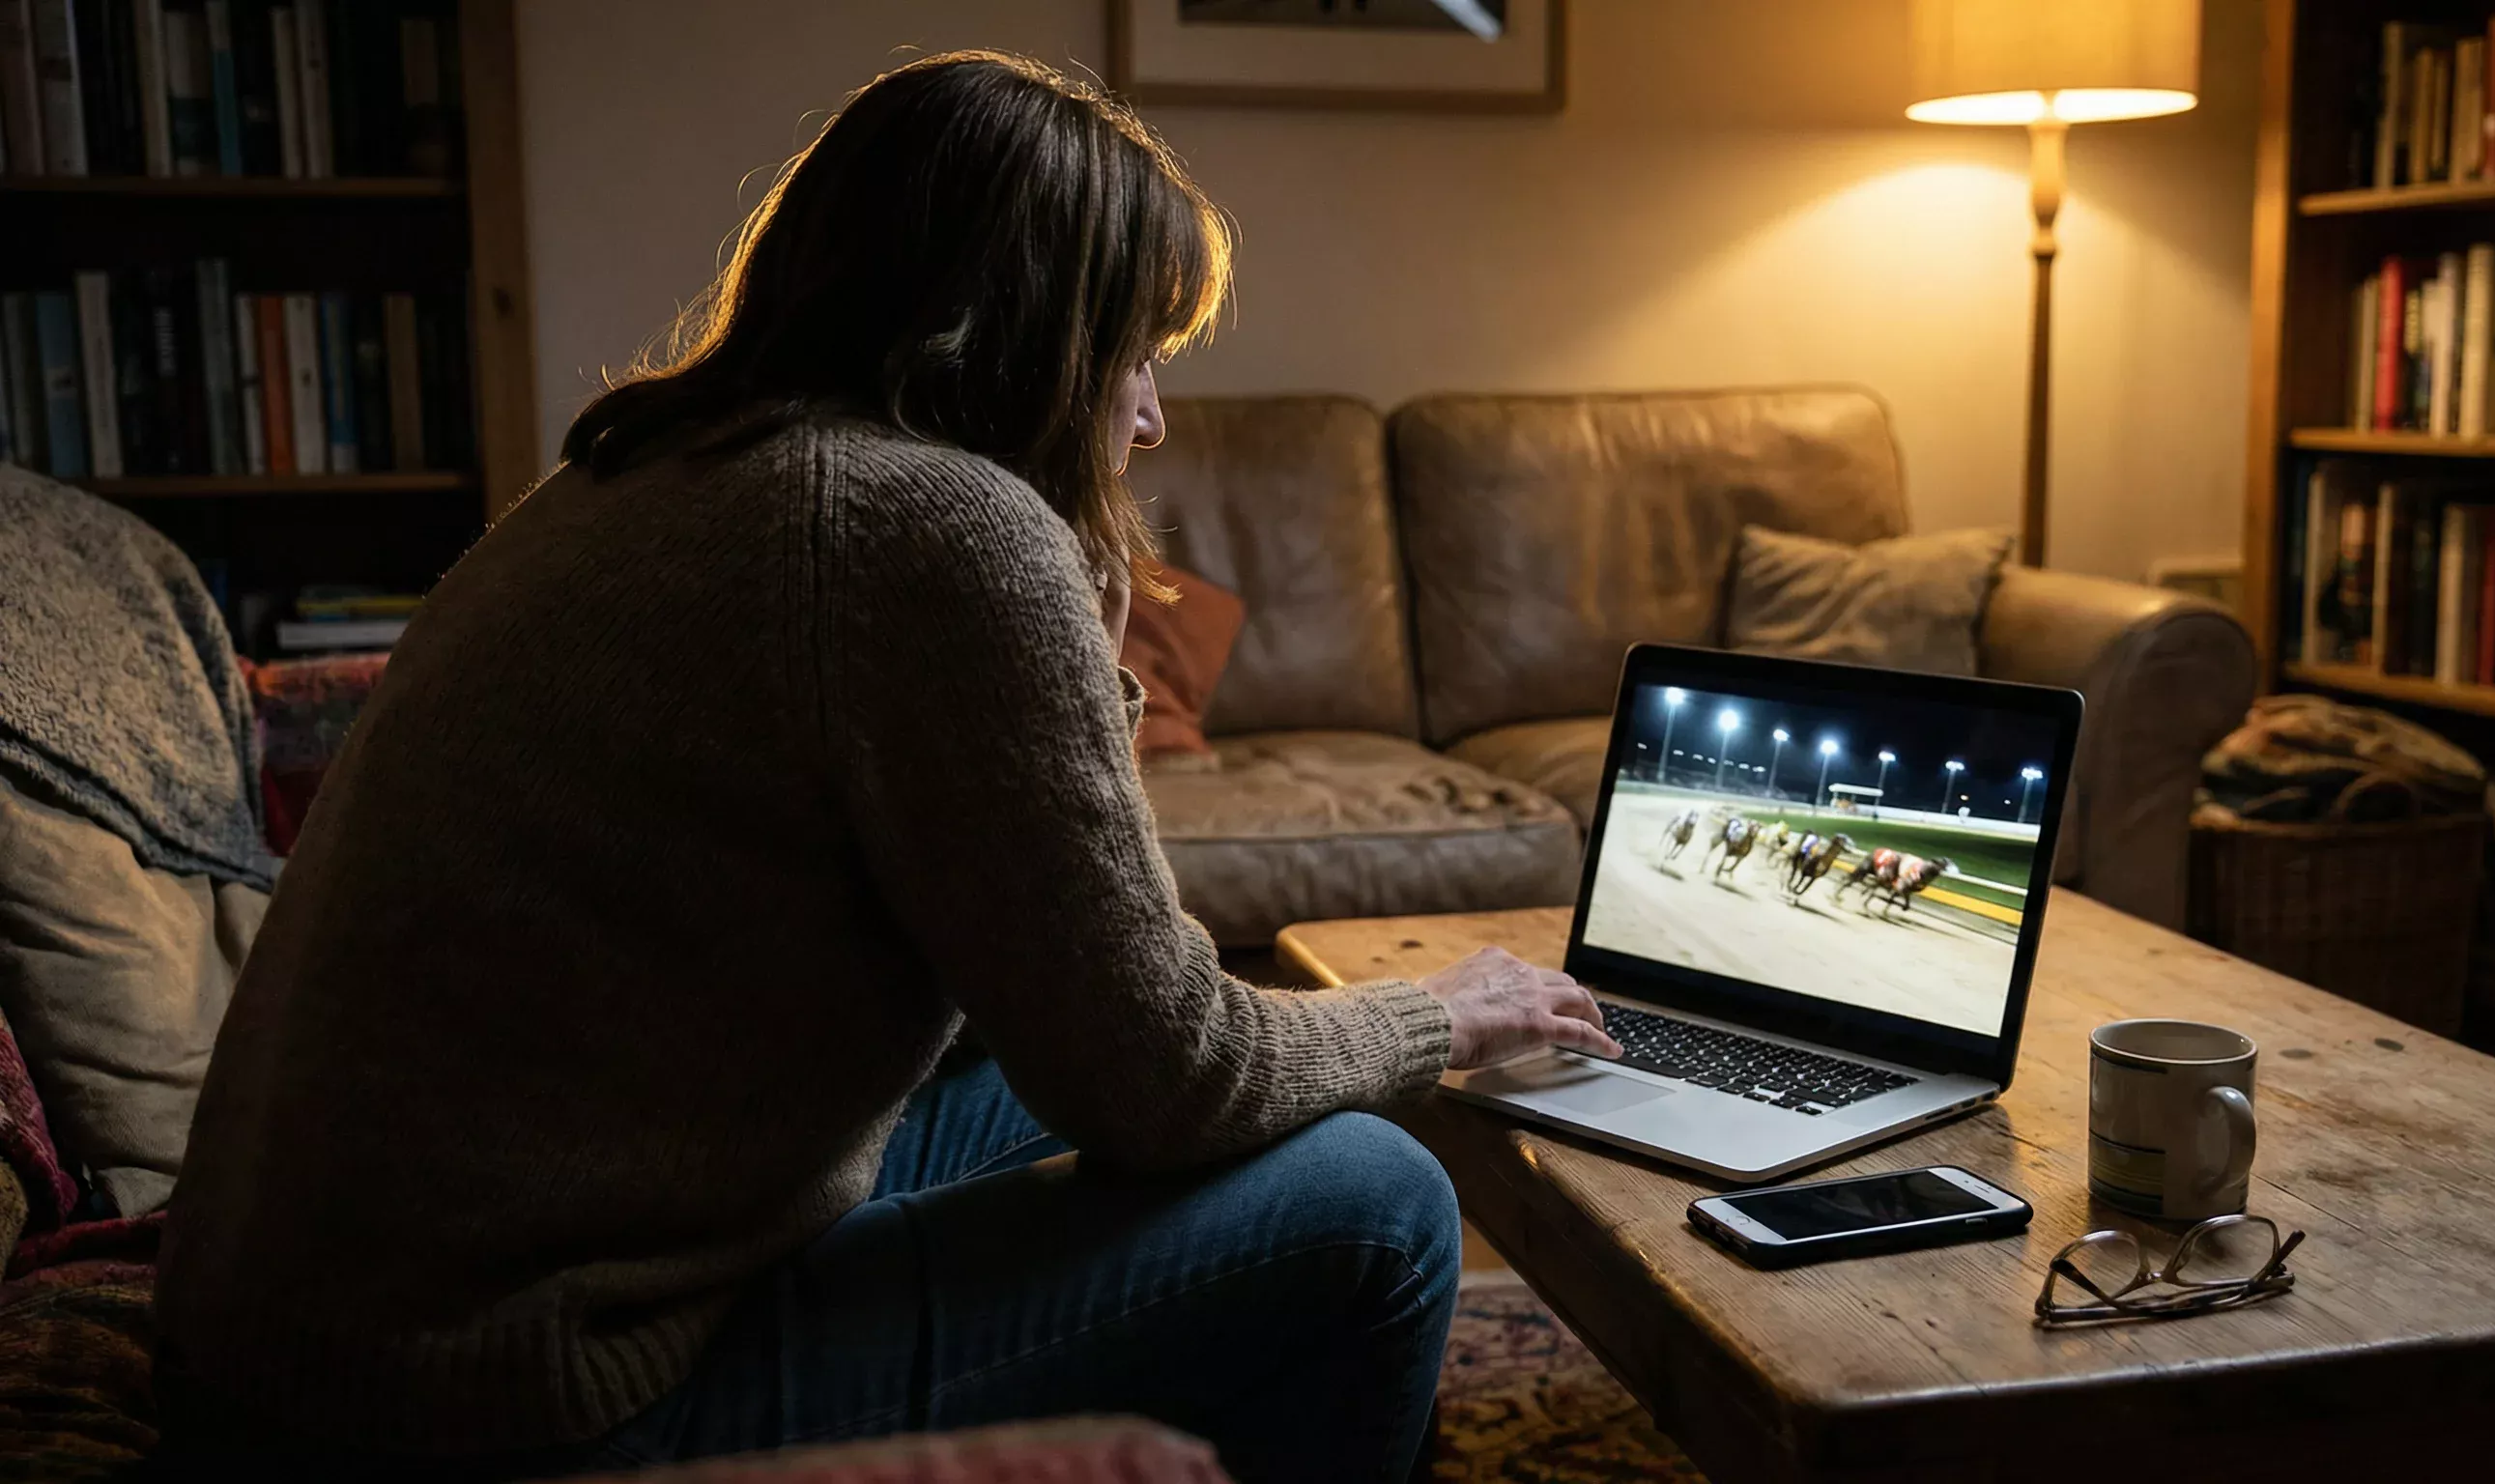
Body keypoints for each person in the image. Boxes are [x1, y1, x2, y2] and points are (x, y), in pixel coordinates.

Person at [152, 50, 1620, 1484]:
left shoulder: (649, 470)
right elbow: (1173, 1077)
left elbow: (1065, 992)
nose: (1154, 412)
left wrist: (1075, 624)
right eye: (1137, 349)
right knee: (1375, 1201)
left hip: (298, 1345)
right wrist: (1438, 1012)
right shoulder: (930, 529)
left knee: (1073, 1084)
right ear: (1032, 333)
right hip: (499, 1399)